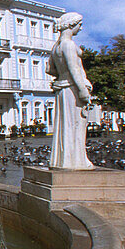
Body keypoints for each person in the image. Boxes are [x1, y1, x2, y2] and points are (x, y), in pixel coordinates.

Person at [46, 12, 94, 169]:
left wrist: (61, 74)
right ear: (71, 25)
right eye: (79, 25)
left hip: (62, 89)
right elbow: (75, 70)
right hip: (72, 89)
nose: (81, 28)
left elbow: (50, 70)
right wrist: (82, 90)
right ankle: (75, 161)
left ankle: (64, 159)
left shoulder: (56, 47)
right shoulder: (69, 45)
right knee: (75, 125)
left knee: (65, 125)